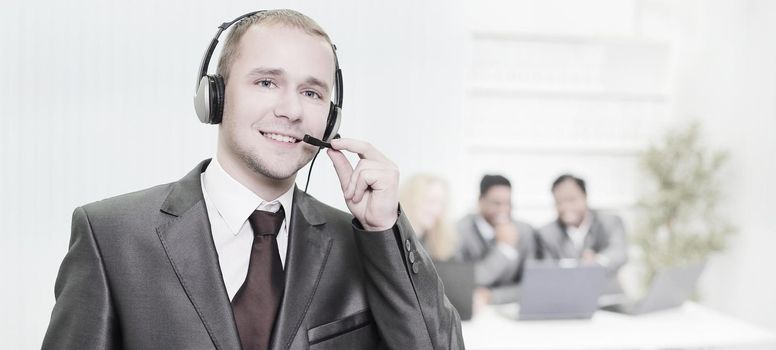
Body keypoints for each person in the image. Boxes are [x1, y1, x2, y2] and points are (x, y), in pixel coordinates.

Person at [42, 10, 462, 349]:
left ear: (330, 118)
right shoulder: (112, 235)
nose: (291, 110)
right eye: (266, 82)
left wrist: (384, 230)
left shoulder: (363, 244)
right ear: (215, 97)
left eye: (312, 93)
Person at [537, 174, 628, 294]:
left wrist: (596, 261)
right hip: (569, 298)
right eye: (559, 202)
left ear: (585, 197)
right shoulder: (546, 233)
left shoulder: (609, 221)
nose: (566, 207)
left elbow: (619, 253)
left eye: (571, 199)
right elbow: (548, 271)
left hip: (607, 296)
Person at [455, 175, 538, 304]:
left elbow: (532, 286)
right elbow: (463, 282)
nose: (503, 210)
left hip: (511, 307)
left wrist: (492, 296)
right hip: (471, 310)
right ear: (480, 201)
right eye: (496, 203)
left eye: (508, 204)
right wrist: (503, 249)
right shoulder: (460, 231)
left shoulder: (525, 231)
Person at [399, 174, 458, 261]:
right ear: (411, 200)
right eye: (430, 201)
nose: (437, 210)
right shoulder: (393, 240)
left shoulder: (439, 243)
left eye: (441, 203)